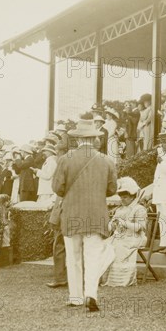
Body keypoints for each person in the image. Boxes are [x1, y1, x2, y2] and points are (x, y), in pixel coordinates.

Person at [52, 119, 118, 311]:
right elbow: (112, 189)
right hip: (97, 214)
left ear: (78, 139)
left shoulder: (65, 159)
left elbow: (57, 188)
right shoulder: (107, 160)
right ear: (94, 138)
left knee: (73, 257)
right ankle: (91, 294)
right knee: (93, 256)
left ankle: (75, 296)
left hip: (72, 213)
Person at [103, 177, 148, 287]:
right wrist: (112, 225)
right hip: (119, 236)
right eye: (121, 197)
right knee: (104, 245)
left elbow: (141, 227)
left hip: (135, 237)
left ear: (133, 197)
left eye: (125, 197)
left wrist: (124, 223)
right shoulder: (120, 209)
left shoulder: (139, 209)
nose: (123, 200)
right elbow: (111, 227)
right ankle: (104, 278)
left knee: (118, 247)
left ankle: (120, 280)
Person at [46, 139, 70, 288]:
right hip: (64, 208)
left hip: (64, 210)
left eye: (59, 152)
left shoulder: (64, 164)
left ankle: (61, 277)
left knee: (60, 245)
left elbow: (58, 189)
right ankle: (63, 277)